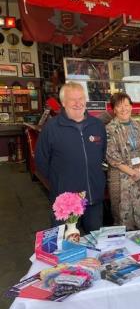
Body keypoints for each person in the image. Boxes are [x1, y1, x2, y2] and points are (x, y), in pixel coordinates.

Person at [35, 82, 107, 233]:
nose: (78, 103)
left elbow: (101, 154)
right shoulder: (51, 128)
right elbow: (41, 161)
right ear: (63, 102)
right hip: (65, 202)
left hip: (93, 198)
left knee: (95, 242)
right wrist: (59, 182)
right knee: (64, 246)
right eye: (72, 99)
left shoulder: (97, 125)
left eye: (81, 98)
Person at [106, 93, 140, 230]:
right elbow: (112, 156)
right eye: (119, 106)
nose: (124, 108)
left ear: (131, 106)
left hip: (139, 174)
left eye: (126, 104)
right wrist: (133, 172)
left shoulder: (137, 125)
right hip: (120, 177)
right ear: (114, 109)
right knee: (123, 215)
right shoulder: (110, 129)